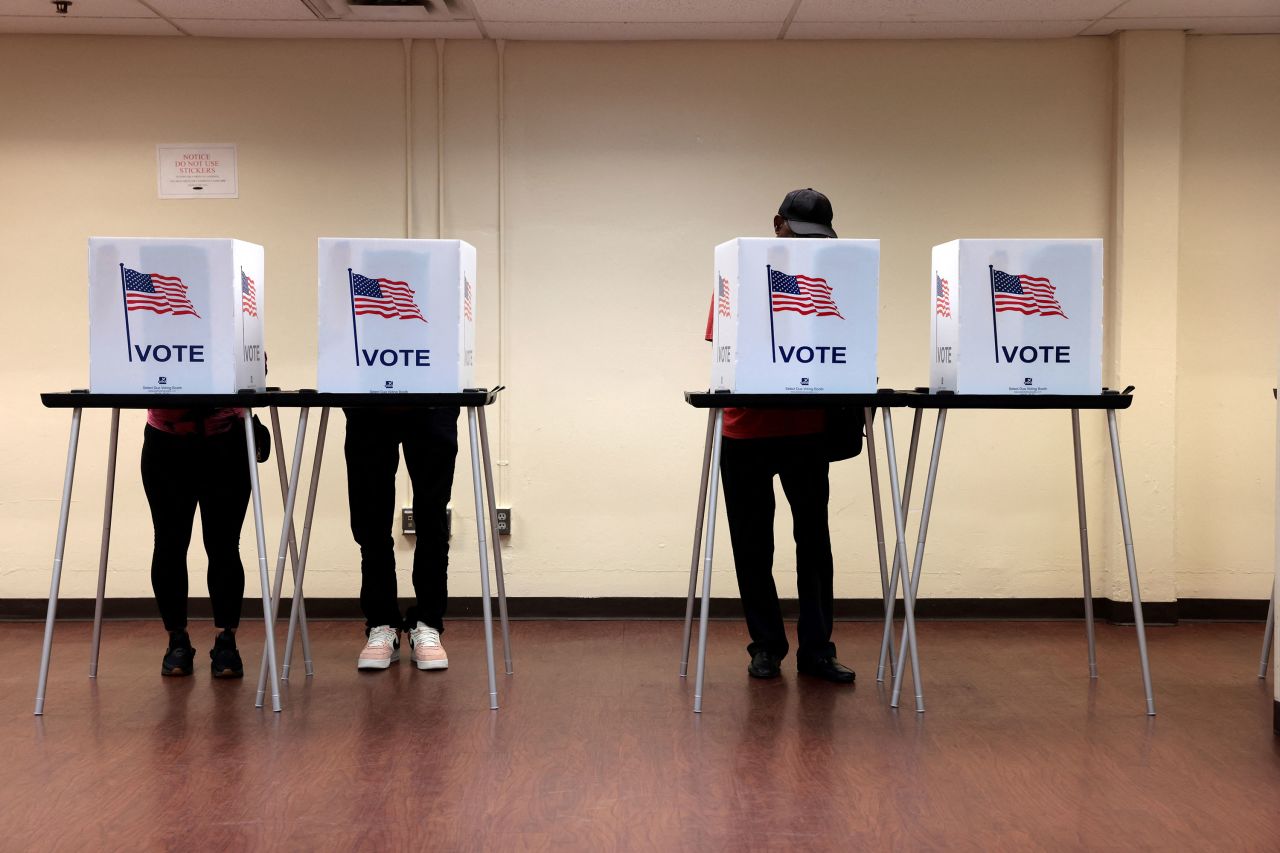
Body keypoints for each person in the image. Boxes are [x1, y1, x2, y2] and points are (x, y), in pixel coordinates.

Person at [705, 187, 855, 684]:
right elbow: (722, 349)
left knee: (814, 544)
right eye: (798, 232)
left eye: (818, 238)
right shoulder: (739, 274)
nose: (806, 244)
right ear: (776, 223)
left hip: (807, 429)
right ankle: (766, 645)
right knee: (753, 545)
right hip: (745, 428)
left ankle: (817, 649)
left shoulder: (832, 275)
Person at [142, 407, 265, 678]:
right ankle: (177, 640)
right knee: (169, 543)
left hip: (226, 441)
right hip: (166, 441)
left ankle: (226, 641)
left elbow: (256, 367)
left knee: (224, 545)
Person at [345, 406, 458, 672]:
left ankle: (428, 623)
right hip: (367, 401)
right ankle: (382, 623)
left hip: (432, 400)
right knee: (370, 519)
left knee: (432, 516)